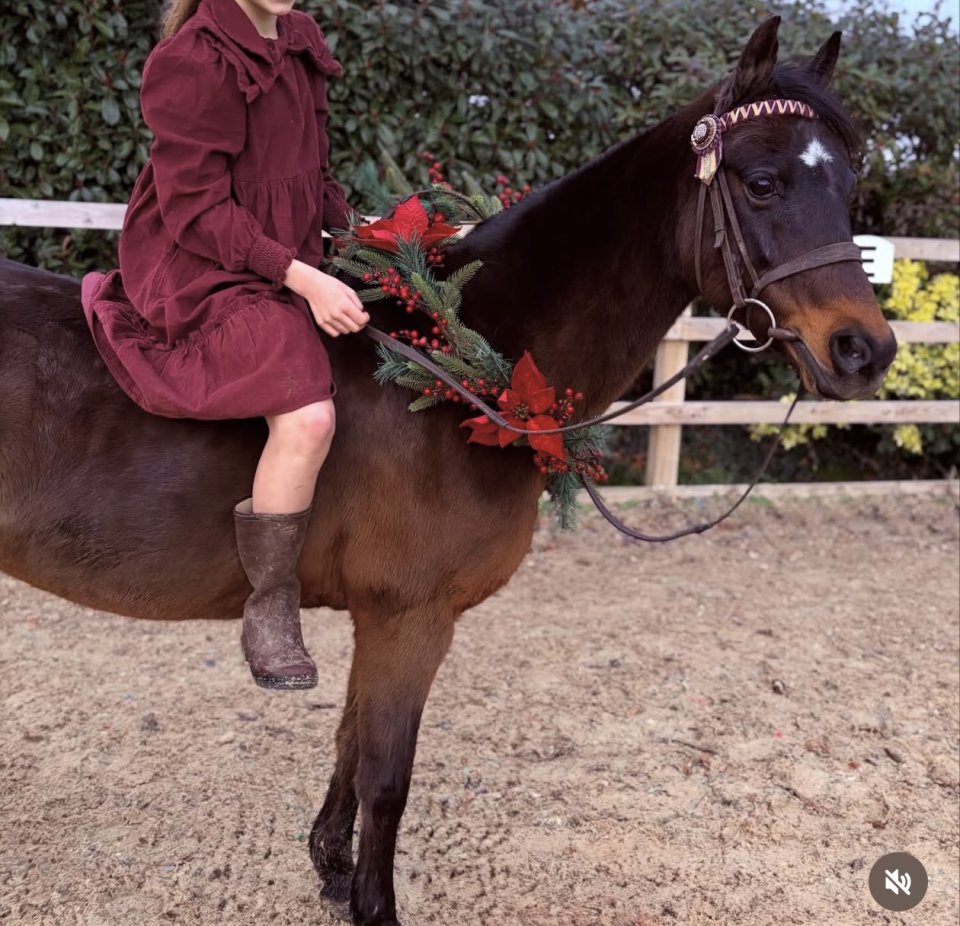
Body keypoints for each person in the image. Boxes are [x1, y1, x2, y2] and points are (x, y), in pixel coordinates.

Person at [80, 0, 369, 691]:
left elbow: (313, 175)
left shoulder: (299, 39)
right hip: (200, 264)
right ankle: (270, 605)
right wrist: (303, 279)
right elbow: (196, 209)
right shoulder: (193, 59)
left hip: (283, 254)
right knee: (308, 417)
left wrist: (362, 236)